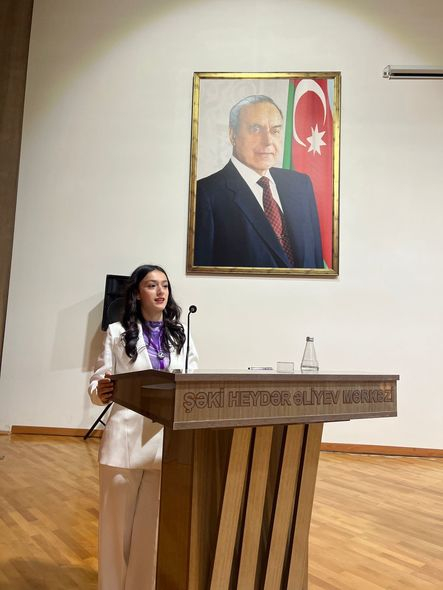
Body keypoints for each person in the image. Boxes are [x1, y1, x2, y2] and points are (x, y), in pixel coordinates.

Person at [88, 264, 198, 590]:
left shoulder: (181, 334)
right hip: (124, 444)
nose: (161, 291)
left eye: (165, 285)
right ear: (137, 293)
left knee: (151, 535)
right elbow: (97, 383)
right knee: (116, 531)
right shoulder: (117, 332)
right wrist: (100, 390)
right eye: (152, 285)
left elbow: (193, 382)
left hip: (166, 447)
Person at [194, 94, 323, 269]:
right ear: (232, 135)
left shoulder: (301, 185)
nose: (268, 141)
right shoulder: (205, 194)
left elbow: (315, 262)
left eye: (275, 131)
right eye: (255, 129)